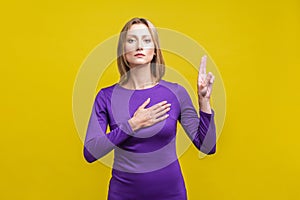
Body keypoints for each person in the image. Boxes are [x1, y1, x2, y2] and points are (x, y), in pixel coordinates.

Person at [83, 17, 216, 200]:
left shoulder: (175, 93)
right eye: (131, 40)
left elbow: (207, 146)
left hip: (171, 195)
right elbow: (91, 152)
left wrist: (204, 101)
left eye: (146, 40)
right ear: (123, 50)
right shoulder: (106, 97)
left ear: (154, 50)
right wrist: (132, 125)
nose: (139, 46)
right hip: (123, 195)